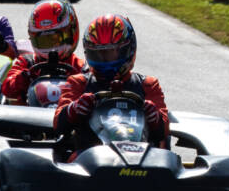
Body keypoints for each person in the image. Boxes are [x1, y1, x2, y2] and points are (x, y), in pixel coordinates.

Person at [53, 14, 170, 158]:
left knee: (165, 154)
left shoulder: (147, 85)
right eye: (99, 54)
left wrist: (154, 117)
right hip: (90, 158)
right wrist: (75, 109)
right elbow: (58, 124)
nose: (104, 60)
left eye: (110, 53)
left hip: (142, 157)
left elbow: (163, 131)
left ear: (128, 49)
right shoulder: (79, 83)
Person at [1, 0, 88, 104]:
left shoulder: (80, 67)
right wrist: (25, 77)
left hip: (66, 117)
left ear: (71, 32)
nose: (51, 46)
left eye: (55, 39)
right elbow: (6, 89)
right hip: (29, 116)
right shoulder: (27, 62)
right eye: (43, 41)